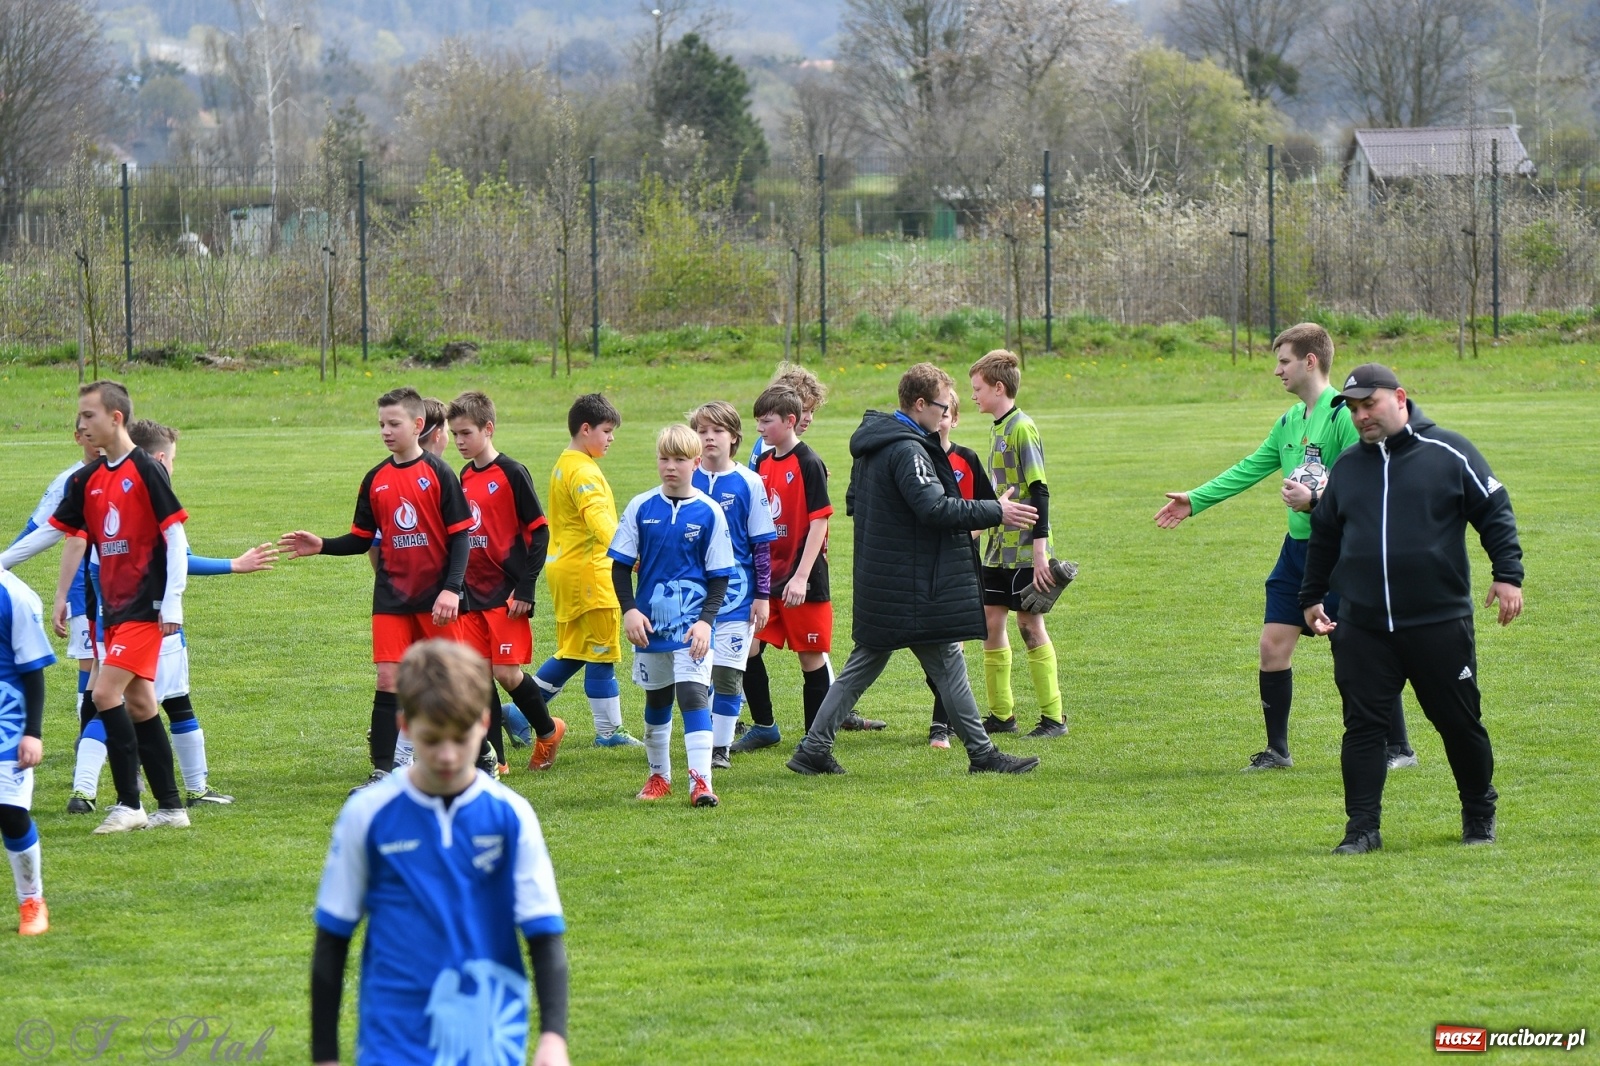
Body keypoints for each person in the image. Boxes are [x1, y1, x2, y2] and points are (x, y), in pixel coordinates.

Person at [1153, 323, 1416, 772]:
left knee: (1355, 653)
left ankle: (1398, 748)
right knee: (1273, 646)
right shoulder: (1289, 421)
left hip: (1341, 552)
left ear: (1309, 361)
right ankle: (1278, 751)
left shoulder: (1342, 416)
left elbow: (1367, 482)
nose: (1277, 371)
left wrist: (1316, 500)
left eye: (1283, 361)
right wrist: (1195, 499)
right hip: (1297, 550)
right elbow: (1250, 467)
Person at [311, 639, 570, 1066]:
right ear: (406, 727)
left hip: (490, 1041)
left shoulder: (510, 816)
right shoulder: (368, 814)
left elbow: (543, 932)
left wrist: (553, 1038)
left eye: (461, 738)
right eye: (432, 740)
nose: (448, 755)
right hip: (392, 1039)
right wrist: (325, 1055)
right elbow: (332, 938)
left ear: (484, 723)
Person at [1301, 364, 1524, 855]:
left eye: (1369, 405)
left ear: (1399, 398)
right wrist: (1311, 597)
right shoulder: (1349, 468)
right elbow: (1325, 537)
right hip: (1362, 626)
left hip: (1437, 622)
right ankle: (1361, 830)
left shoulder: (1449, 452)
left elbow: (1494, 511)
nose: (1361, 416)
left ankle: (1478, 813)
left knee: (1459, 724)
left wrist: (1507, 575)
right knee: (1362, 728)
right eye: (1354, 409)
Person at [787, 364, 1042, 776]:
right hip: (912, 586)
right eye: (941, 407)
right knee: (938, 666)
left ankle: (814, 749)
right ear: (920, 404)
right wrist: (998, 510)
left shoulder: (877, 444)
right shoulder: (906, 449)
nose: (946, 416)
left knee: (880, 668)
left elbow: (860, 503)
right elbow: (934, 507)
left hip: (890, 581)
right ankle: (982, 756)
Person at [54, 419, 275, 811]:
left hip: (108, 616)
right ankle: (187, 791)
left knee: (103, 697)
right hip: (151, 618)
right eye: (173, 460)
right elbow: (179, 558)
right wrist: (233, 565)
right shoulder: (151, 493)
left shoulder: (104, 492)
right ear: (160, 458)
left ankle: (84, 791)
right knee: (168, 702)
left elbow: (85, 553)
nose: (173, 468)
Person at [280, 386, 474, 793]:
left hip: (437, 598)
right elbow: (361, 538)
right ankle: (383, 773)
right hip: (391, 599)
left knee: (450, 681)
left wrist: (451, 589)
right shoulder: (376, 479)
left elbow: (461, 537)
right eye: (381, 424)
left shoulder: (440, 475)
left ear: (418, 425)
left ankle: (475, 758)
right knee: (388, 679)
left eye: (394, 424)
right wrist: (323, 546)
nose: (385, 431)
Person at [46, 380, 190, 833]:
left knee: (105, 695)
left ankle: (130, 803)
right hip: (115, 609)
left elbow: (176, 537)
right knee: (142, 703)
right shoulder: (88, 479)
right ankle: (171, 806)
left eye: (89, 415)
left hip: (146, 608)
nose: (81, 423)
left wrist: (172, 604)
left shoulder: (146, 469)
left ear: (115, 418)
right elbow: (59, 534)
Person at [609, 424, 736, 806]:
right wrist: (630, 611)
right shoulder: (641, 507)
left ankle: (701, 782)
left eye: (680, 459)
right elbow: (619, 567)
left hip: (692, 630)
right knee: (658, 701)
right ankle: (658, 777)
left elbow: (719, 577)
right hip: (648, 629)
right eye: (664, 458)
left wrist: (705, 622)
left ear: (696, 463)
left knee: (694, 696)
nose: (670, 467)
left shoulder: (710, 512)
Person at [731, 385, 860, 754]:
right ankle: (764, 726)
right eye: (757, 421)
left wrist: (801, 576)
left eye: (766, 421)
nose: (760, 428)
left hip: (803, 580)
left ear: (790, 421)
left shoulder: (809, 463)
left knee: (810, 657)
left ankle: (814, 741)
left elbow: (820, 522)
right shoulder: (764, 463)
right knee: (748, 648)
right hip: (767, 579)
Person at [446, 391, 566, 775]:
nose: (460, 441)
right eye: (455, 434)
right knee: (479, 679)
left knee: (506, 673)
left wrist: (526, 587)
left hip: (507, 592)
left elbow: (540, 533)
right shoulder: (464, 476)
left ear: (488, 428)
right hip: (472, 594)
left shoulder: (512, 473)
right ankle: (495, 761)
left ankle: (548, 732)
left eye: (466, 433)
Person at [531, 394, 641, 748]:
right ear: (585, 429)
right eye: (607, 431)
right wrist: (630, 555)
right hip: (590, 573)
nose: (611, 438)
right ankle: (609, 732)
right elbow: (600, 521)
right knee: (601, 651)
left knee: (576, 650)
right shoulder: (583, 471)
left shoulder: (567, 462)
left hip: (567, 569)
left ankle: (519, 712)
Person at [969, 350, 1069, 739]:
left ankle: (1053, 718)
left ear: (999, 387)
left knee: (1029, 623)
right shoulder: (997, 426)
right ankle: (1001, 715)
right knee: (991, 622)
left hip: (1026, 549)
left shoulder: (1022, 428)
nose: (973, 395)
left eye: (977, 388)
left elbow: (1040, 490)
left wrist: (1041, 553)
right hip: (997, 548)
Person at [687, 401, 776, 769]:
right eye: (702, 431)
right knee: (694, 674)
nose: (709, 438)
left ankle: (720, 748)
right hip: (692, 596)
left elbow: (760, 545)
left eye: (717, 431)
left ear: (734, 438)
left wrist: (763, 595)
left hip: (738, 597)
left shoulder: (749, 483)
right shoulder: (685, 477)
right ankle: (701, 739)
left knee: (727, 673)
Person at [5, 423, 99, 736]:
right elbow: (40, 530)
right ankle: (90, 748)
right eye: (88, 435)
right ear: (77, 438)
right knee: (91, 671)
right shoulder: (71, 482)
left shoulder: (131, 471)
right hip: (83, 592)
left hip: (127, 592)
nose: (97, 442)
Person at [925, 391, 995, 749]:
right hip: (924, 563)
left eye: (947, 415)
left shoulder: (966, 459)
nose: (941, 422)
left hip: (961, 564)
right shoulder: (917, 457)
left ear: (955, 419)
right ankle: (946, 716)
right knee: (929, 647)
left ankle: (941, 726)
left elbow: (988, 506)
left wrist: (968, 531)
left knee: (951, 644)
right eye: (938, 414)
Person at [0, 567, 57, 933]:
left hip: (7, 719)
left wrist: (32, 733)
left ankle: (31, 901)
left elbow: (34, 672)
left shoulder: (12, 595)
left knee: (10, 813)